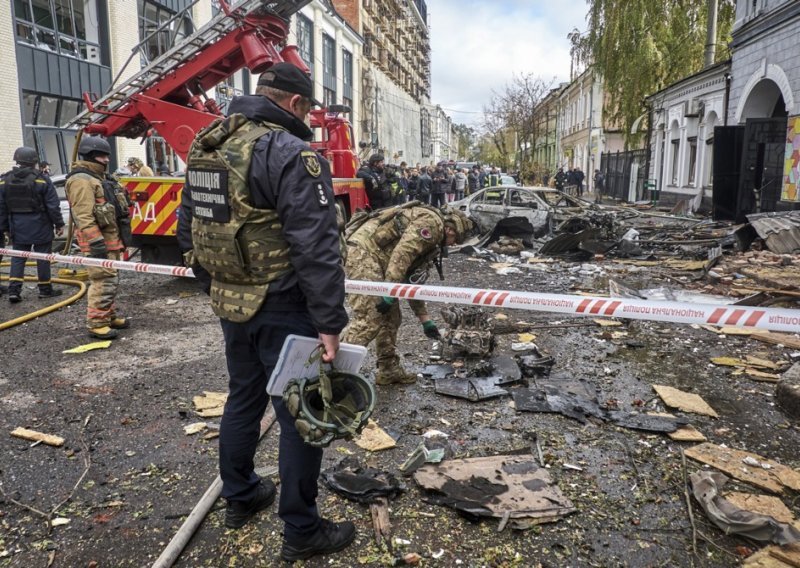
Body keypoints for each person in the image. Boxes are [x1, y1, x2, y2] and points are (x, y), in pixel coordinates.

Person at [176, 62, 355, 563]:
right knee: (302, 416)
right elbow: (316, 245)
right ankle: (301, 528)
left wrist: (218, 284)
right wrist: (329, 322)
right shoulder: (290, 152)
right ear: (296, 105)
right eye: (308, 110)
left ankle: (240, 497)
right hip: (284, 304)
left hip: (233, 302)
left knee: (243, 398)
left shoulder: (209, 144)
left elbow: (187, 228)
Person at [342, 205, 473, 384]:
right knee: (370, 319)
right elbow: (403, 253)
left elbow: (413, 283)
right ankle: (334, 369)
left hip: (378, 259)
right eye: (455, 239)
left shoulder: (434, 242)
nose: (453, 244)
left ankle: (388, 370)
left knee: (391, 316)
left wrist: (425, 320)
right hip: (365, 252)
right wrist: (390, 291)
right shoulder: (432, 224)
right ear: (450, 230)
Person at [65, 136, 132, 339]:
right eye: (102, 156)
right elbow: (83, 215)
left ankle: (107, 316)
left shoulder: (99, 178)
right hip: (98, 242)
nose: (106, 160)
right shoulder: (81, 180)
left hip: (110, 239)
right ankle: (96, 323)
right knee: (102, 280)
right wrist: (96, 242)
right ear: (91, 156)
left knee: (110, 280)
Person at [0, 147, 65, 303]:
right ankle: (45, 290)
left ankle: (14, 291)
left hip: (17, 226)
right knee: (42, 257)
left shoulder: (4, 180)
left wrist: (5, 229)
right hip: (41, 225)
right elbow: (52, 205)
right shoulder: (41, 179)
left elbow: (1, 207)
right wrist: (59, 224)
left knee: (18, 258)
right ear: (34, 162)